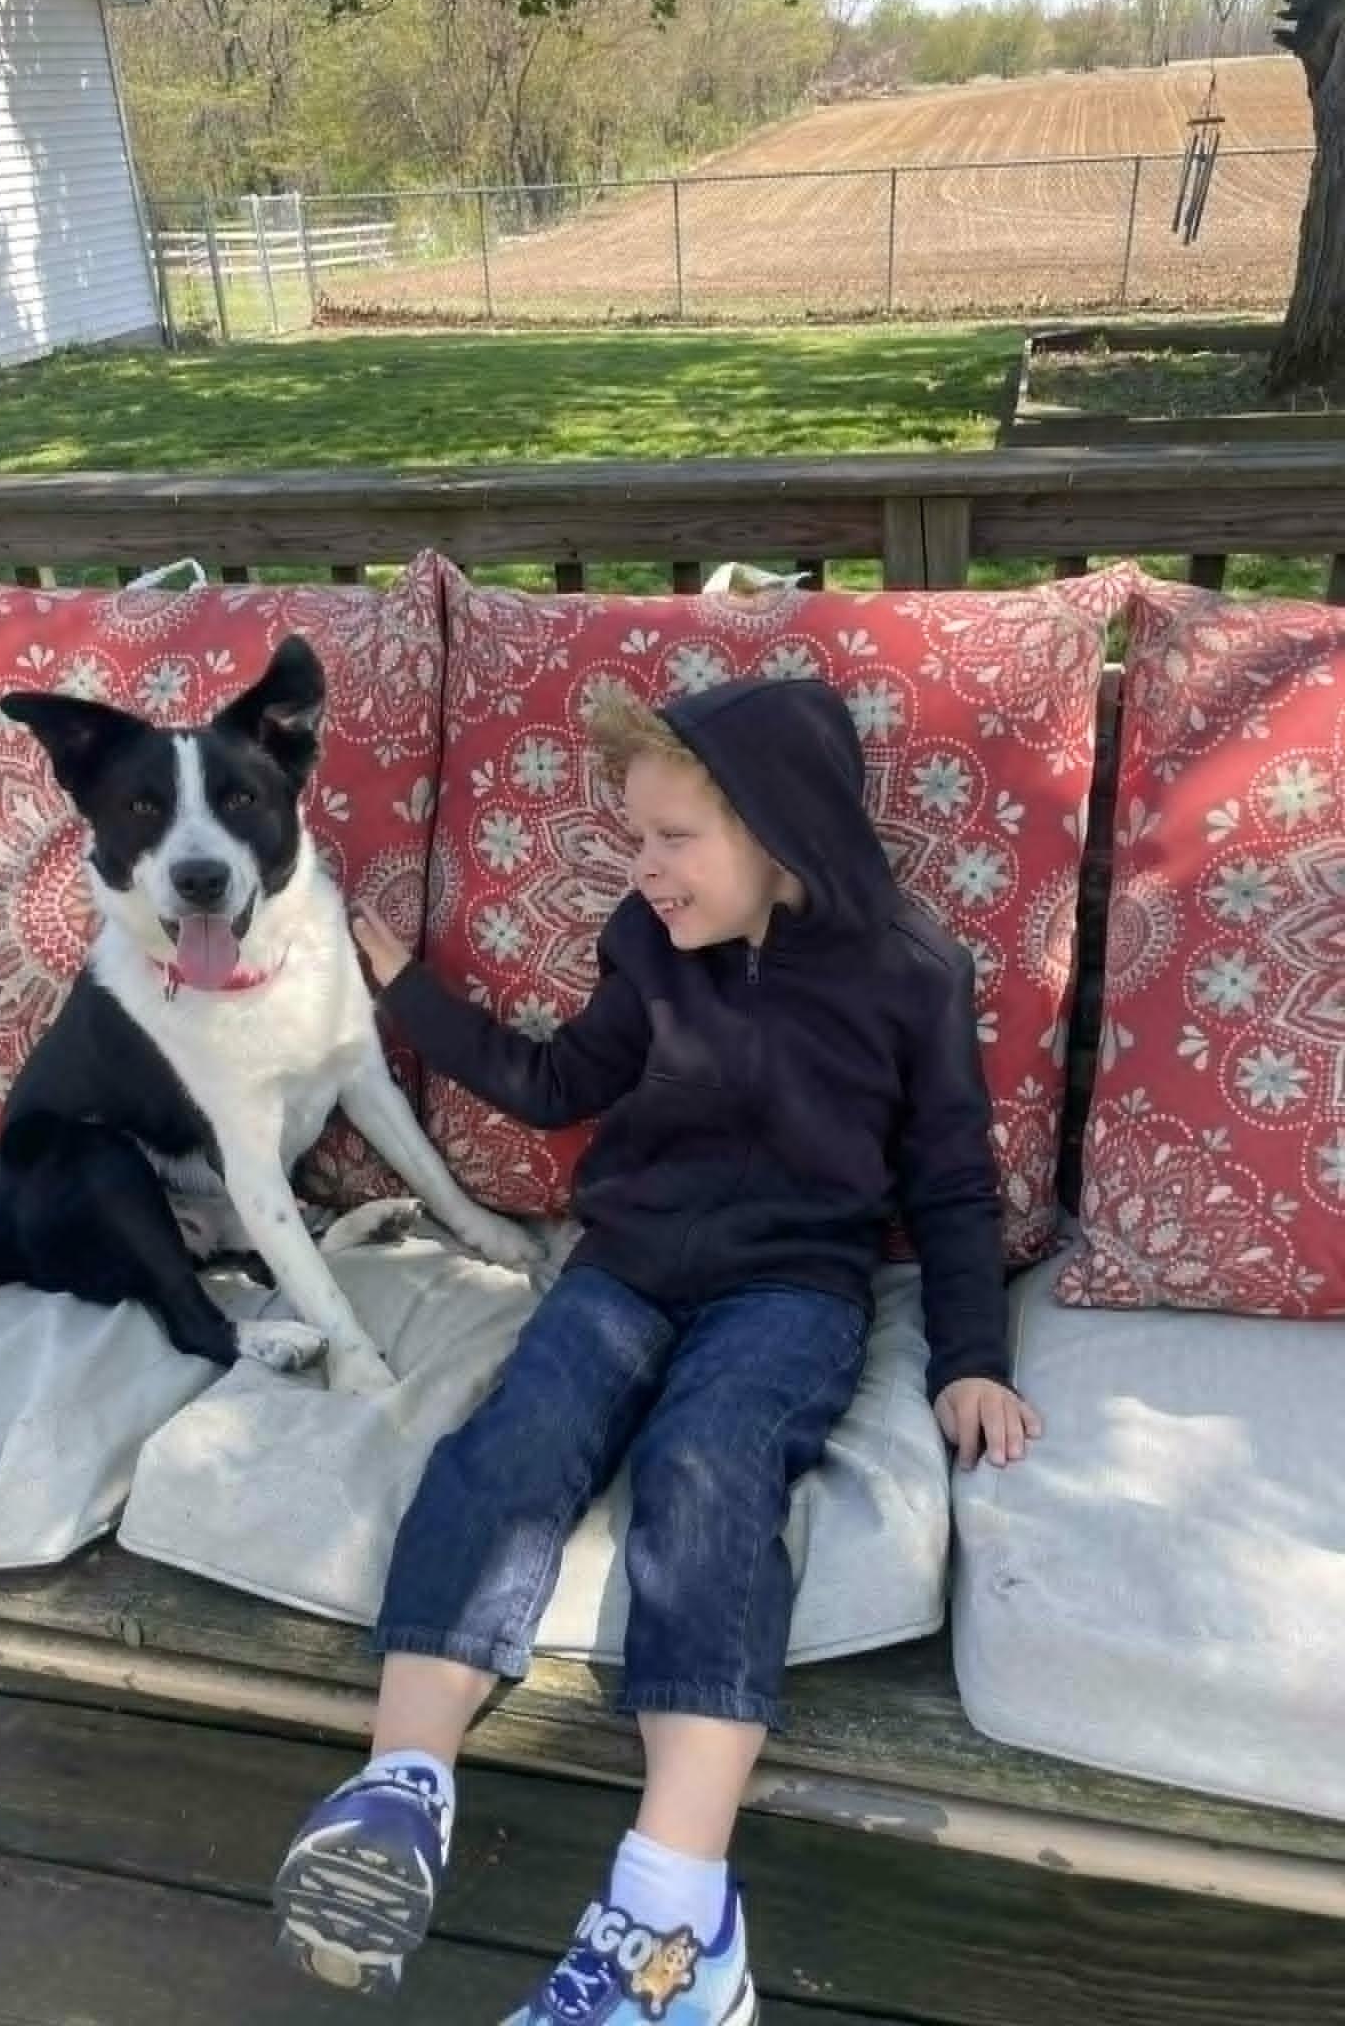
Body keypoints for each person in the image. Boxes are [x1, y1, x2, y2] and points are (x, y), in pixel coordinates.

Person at [272, 675, 1042, 2026]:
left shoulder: (911, 974)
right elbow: (562, 1085)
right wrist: (413, 995)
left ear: (783, 835)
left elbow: (951, 1184)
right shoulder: (648, 941)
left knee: (708, 1474)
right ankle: (397, 1792)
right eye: (637, 838)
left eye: (672, 838)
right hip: (621, 1266)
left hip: (789, 1295)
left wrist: (968, 1355)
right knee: (511, 1445)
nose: (643, 868)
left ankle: (672, 1926)